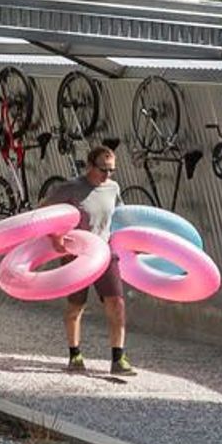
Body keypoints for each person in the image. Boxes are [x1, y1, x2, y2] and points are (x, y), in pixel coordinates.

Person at [39, 140, 132, 377]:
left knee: (117, 303)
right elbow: (43, 212)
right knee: (76, 306)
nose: (107, 174)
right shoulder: (70, 188)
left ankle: (118, 358)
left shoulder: (113, 188)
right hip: (76, 255)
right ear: (90, 165)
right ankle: (75, 354)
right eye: (103, 169)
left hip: (104, 252)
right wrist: (56, 238)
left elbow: (119, 216)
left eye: (112, 170)